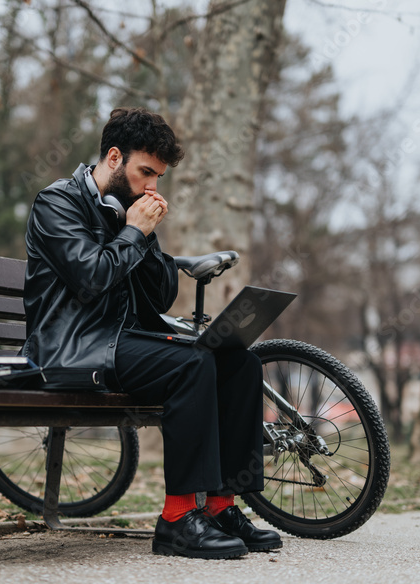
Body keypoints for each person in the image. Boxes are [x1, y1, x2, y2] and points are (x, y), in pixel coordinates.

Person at [22, 107, 281, 559]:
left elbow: (160, 297)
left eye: (158, 177)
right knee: (191, 363)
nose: (152, 187)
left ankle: (220, 506)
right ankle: (178, 519)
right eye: (146, 172)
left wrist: (144, 235)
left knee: (240, 362)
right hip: (70, 347)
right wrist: (132, 232)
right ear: (115, 157)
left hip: (117, 342)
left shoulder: (129, 210)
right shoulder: (57, 204)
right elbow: (90, 279)